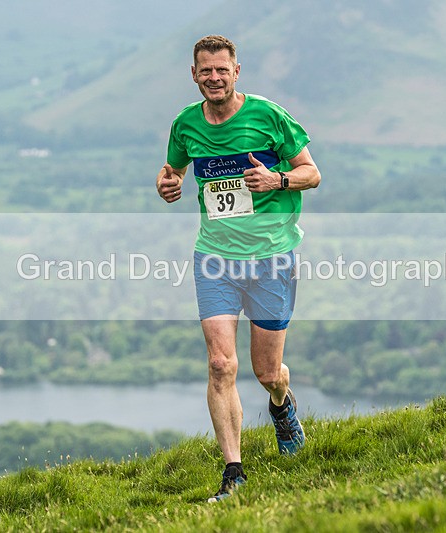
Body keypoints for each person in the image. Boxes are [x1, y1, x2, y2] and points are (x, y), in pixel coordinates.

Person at [156, 34, 321, 503]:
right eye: (204, 71)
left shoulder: (269, 117)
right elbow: (172, 171)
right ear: (193, 75)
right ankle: (234, 472)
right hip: (216, 259)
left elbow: (312, 172)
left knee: (267, 371)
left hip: (272, 257)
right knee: (220, 364)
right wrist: (167, 185)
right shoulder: (185, 124)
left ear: (236, 72)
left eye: (221, 70)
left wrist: (279, 179)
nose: (213, 78)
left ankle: (281, 405)